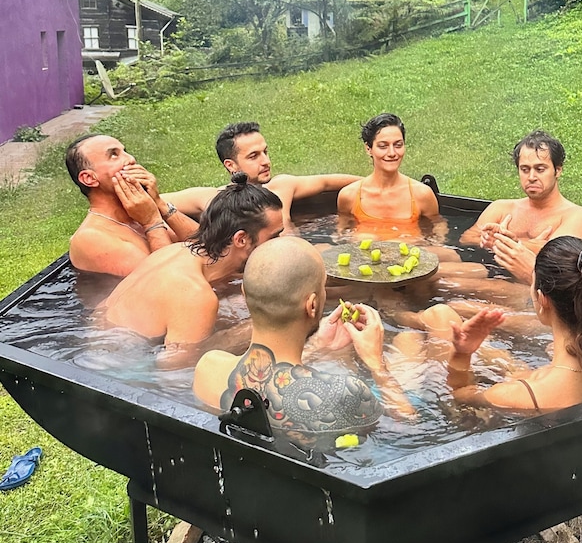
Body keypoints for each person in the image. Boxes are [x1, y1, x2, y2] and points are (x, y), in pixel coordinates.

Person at [193, 236, 415, 427]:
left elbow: (267, 385)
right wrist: (376, 364)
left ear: (244, 292)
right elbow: (407, 429)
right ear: (312, 305)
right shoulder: (345, 393)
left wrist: (317, 345)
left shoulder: (208, 367)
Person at [444, 236, 582, 410]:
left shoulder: (513, 396)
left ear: (542, 300)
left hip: (538, 394)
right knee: (514, 368)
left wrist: (462, 353)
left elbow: (460, 396)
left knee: (440, 315)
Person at [103, 175, 284, 362]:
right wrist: (262, 327)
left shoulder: (175, 251)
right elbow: (175, 367)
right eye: (273, 237)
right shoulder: (195, 294)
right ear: (241, 239)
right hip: (118, 360)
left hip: (104, 333)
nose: (281, 243)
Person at [163, 121, 361, 229]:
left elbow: (327, 183)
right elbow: (156, 200)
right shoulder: (211, 198)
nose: (266, 161)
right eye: (254, 156)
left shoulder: (282, 187)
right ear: (231, 165)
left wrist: (372, 183)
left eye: (265, 152)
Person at [460, 131, 582, 284]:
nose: (531, 177)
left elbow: (557, 258)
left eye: (540, 169)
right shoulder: (501, 207)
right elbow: (466, 239)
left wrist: (498, 241)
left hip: (534, 286)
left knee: (454, 287)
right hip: (487, 268)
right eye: (525, 169)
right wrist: (516, 243)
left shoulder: (579, 216)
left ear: (558, 170)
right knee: (441, 273)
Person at [66, 133, 200, 277]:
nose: (131, 159)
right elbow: (168, 280)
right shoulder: (90, 238)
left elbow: (209, 249)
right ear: (89, 178)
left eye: (125, 151)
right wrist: (151, 222)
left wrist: (159, 203)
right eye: (113, 155)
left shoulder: (136, 213)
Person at [337, 113, 442, 239]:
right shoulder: (349, 196)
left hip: (411, 250)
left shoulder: (422, 195)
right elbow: (341, 238)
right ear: (368, 149)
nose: (392, 153)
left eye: (398, 145)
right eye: (383, 146)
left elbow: (437, 237)